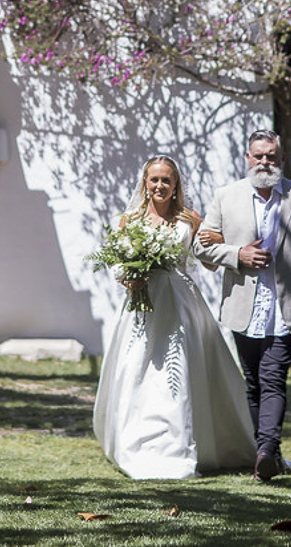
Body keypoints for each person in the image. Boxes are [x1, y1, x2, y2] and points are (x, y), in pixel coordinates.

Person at [93, 155, 256, 480]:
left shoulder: (191, 219)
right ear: (145, 183)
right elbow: (115, 260)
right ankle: (136, 442)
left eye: (166, 180)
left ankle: (183, 445)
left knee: (180, 369)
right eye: (154, 180)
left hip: (181, 303)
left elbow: (207, 261)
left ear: (176, 184)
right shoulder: (128, 220)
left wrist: (221, 243)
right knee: (138, 368)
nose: (159, 186)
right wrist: (128, 277)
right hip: (143, 305)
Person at [193, 130, 291, 481]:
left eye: (271, 156)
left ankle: (266, 453)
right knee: (253, 383)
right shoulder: (226, 197)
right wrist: (237, 254)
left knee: (273, 379)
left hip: (286, 309)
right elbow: (201, 246)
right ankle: (268, 451)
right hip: (243, 307)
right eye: (259, 156)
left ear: (282, 159)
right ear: (248, 158)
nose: (265, 162)